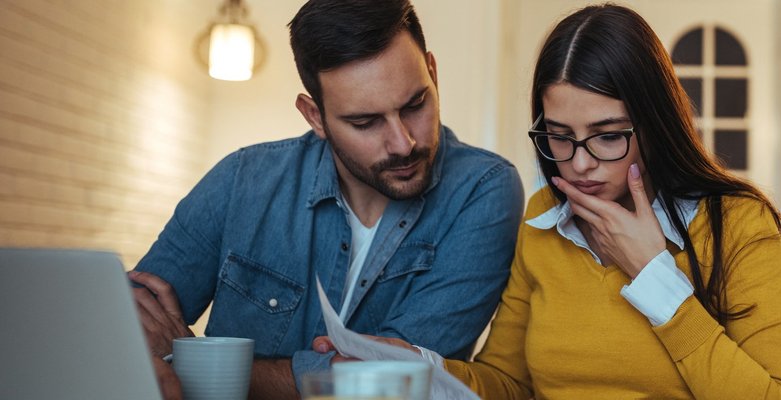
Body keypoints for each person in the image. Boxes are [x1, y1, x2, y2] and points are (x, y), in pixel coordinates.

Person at [315, 4, 781, 399]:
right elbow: (508, 386)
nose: (578, 164)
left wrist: (654, 277)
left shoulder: (737, 224)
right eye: (559, 136)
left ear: (655, 125)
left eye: (607, 135)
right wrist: (418, 368)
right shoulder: (543, 217)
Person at [129, 0, 524, 398]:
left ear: (433, 74)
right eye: (364, 122)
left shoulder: (483, 189)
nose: (403, 143)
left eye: (415, 104)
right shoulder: (241, 180)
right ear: (314, 116)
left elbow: (394, 386)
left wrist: (197, 362)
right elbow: (126, 331)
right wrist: (325, 372)